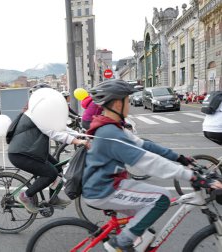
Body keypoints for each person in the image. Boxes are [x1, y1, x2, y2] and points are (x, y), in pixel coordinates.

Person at [82, 79, 222, 251]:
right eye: (127, 100)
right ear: (118, 104)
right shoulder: (110, 133)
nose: (129, 105)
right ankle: (120, 244)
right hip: (104, 190)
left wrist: (179, 158)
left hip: (108, 184)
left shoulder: (113, 127)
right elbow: (148, 162)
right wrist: (191, 176)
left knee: (144, 227)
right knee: (161, 198)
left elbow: (145, 145)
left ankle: (130, 242)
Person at [8, 89, 89, 214]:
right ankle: (25, 196)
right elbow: (52, 132)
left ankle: (53, 198)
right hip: (21, 154)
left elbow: (60, 127)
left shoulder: (41, 113)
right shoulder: (35, 114)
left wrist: (80, 134)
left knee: (58, 168)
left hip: (32, 151)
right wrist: (76, 141)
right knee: (50, 173)